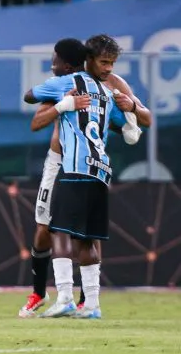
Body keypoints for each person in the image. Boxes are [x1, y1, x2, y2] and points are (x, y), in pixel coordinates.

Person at [19, 36, 149, 317]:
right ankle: (88, 303)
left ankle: (67, 298)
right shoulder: (105, 92)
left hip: (73, 165)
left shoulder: (74, 83)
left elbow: (30, 99)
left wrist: (132, 109)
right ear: (89, 59)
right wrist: (127, 124)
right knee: (83, 236)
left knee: (58, 230)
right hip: (98, 167)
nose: (108, 68)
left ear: (68, 64)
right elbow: (129, 130)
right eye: (105, 62)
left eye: (111, 63)